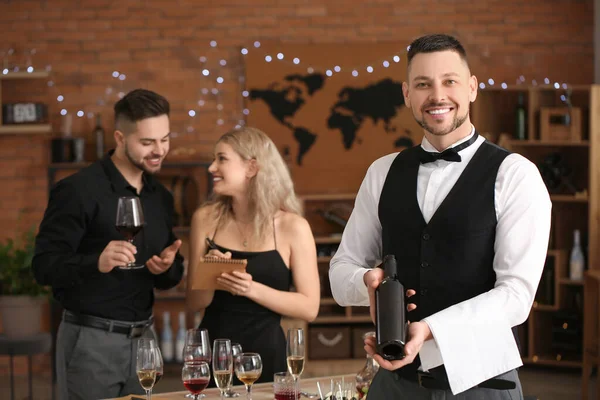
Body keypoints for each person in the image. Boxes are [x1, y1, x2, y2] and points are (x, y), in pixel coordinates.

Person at [329, 34, 551, 399]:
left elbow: (516, 297)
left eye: (449, 81)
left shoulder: (516, 175)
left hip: (482, 386)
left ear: (472, 88)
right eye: (422, 84)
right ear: (406, 94)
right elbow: (341, 273)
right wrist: (366, 280)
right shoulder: (382, 172)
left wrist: (430, 329)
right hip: (391, 386)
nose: (437, 95)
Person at [32, 89, 184, 400]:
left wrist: (168, 268)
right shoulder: (77, 190)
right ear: (119, 137)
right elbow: (43, 267)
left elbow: (168, 277)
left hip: (146, 343)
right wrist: (95, 263)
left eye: (165, 139)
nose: (160, 151)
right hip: (91, 342)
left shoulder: (161, 198)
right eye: (147, 142)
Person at [186, 126, 320, 383]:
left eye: (222, 159)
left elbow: (309, 308)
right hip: (214, 358)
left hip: (268, 357)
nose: (212, 168)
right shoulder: (204, 219)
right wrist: (210, 273)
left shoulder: (293, 227)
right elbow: (194, 302)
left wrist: (250, 289)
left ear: (251, 168)